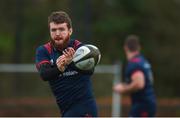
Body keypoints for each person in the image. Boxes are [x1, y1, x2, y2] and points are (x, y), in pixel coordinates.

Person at [35, 11, 98, 117]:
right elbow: (44, 74)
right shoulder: (44, 50)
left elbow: (90, 71)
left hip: (84, 106)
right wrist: (59, 68)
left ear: (70, 31)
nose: (57, 33)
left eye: (61, 29)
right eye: (53, 30)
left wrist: (71, 62)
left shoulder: (79, 48)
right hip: (65, 109)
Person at [113, 35, 157, 117]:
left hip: (142, 105)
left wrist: (123, 89)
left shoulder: (134, 63)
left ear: (125, 48)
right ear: (139, 47)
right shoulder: (143, 61)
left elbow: (139, 84)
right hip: (149, 102)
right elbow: (149, 81)